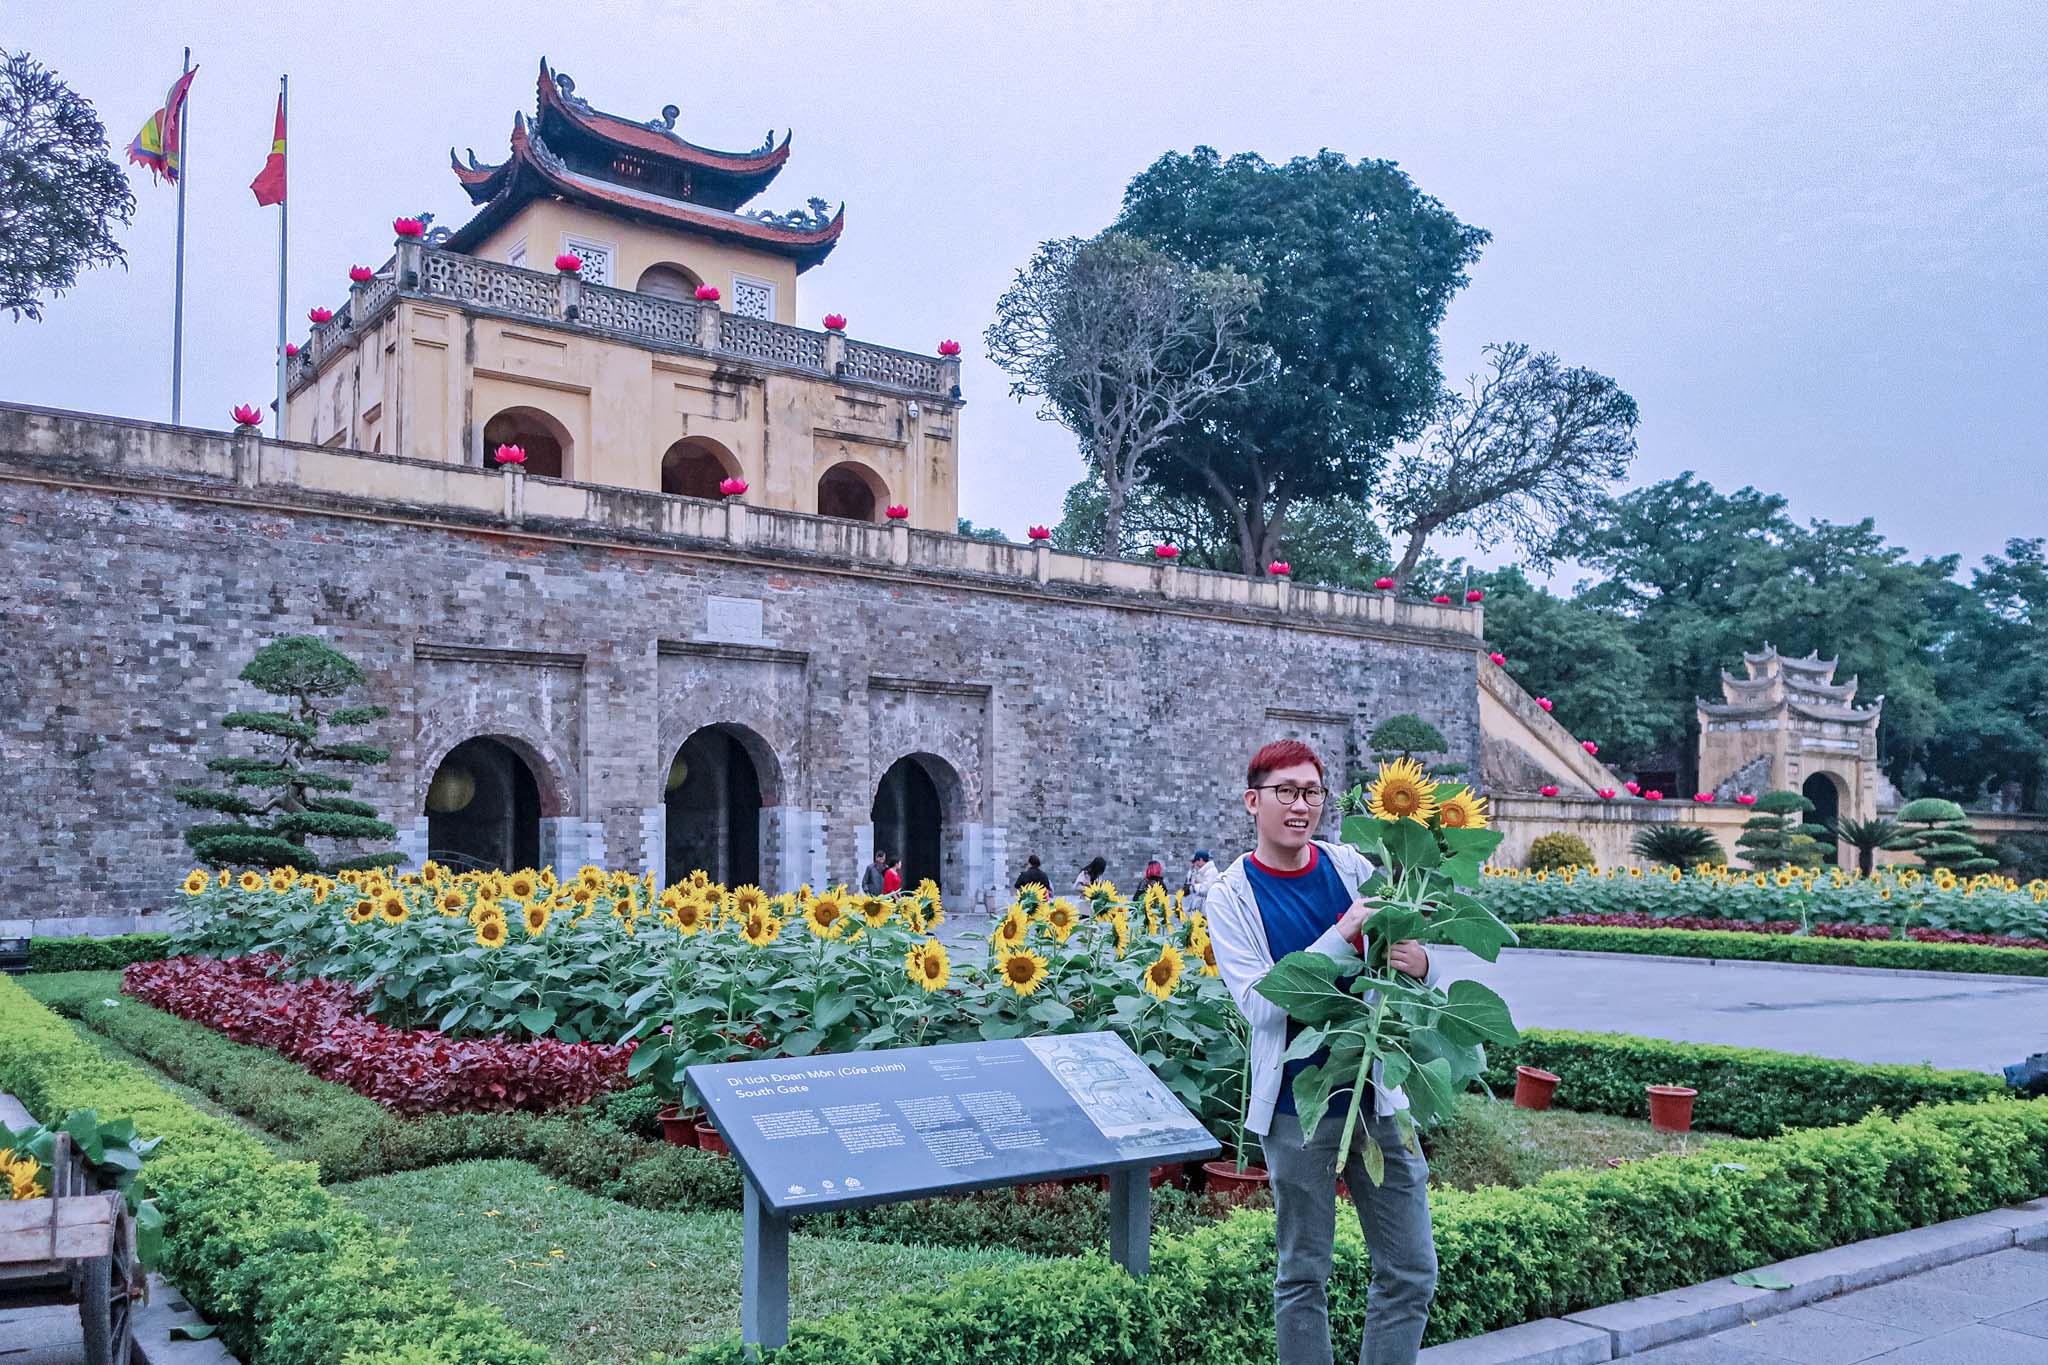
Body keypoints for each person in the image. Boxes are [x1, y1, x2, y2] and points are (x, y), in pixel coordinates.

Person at [1205, 738, 1439, 1365]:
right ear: (1253, 801)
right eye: (1285, 791)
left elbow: (1401, 958)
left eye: (1311, 792)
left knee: (1411, 1268)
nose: (1300, 804)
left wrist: (1421, 963)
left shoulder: (1353, 869)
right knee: (1302, 1273)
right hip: (1296, 1105)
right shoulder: (1229, 896)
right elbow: (1260, 1004)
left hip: (1375, 1094)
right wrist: (1341, 936)